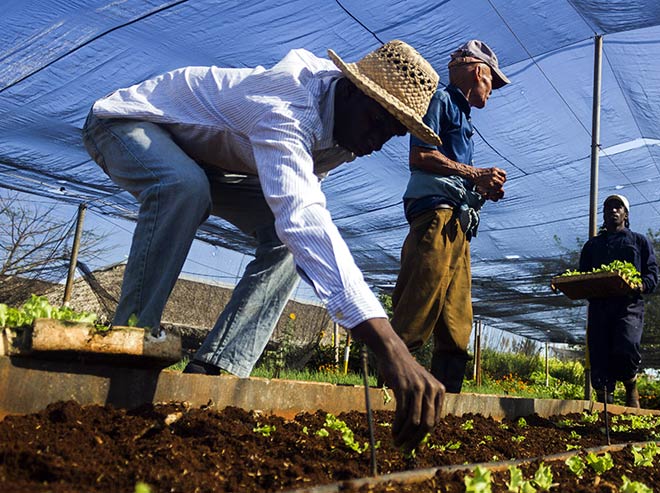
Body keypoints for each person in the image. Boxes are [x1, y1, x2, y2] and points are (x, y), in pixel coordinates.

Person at [81, 40, 445, 450]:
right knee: (184, 188)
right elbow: (303, 215)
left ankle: (214, 372)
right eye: (377, 121)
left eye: (391, 133)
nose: (378, 141)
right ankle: (129, 345)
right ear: (349, 89)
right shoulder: (287, 107)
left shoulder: (346, 132)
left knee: (287, 242)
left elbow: (301, 226)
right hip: (128, 124)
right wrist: (389, 345)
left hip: (209, 162)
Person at [390, 40, 510, 393]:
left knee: (457, 316)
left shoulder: (464, 116)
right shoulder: (440, 101)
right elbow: (421, 157)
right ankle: (387, 391)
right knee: (419, 299)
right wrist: (474, 174)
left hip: (458, 220)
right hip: (436, 215)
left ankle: (448, 399)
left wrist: (482, 189)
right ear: (478, 72)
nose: (492, 91)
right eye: (492, 83)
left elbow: (455, 172)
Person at [579, 194, 659, 408]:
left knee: (626, 345)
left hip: (628, 306)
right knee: (599, 352)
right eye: (608, 208)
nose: (613, 211)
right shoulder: (592, 246)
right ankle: (605, 405)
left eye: (618, 207)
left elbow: (651, 274)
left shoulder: (639, 241)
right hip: (599, 306)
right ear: (603, 215)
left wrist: (640, 285)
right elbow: (582, 275)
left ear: (626, 214)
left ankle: (631, 384)